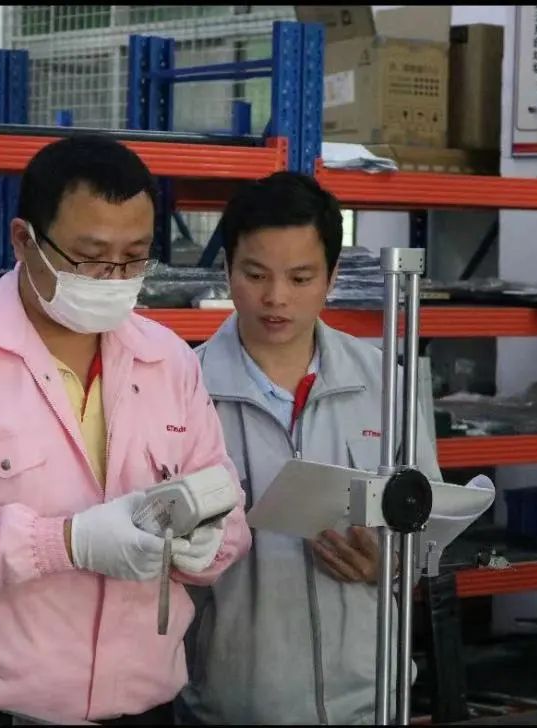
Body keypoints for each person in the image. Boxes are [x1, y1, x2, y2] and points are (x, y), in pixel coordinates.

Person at [0, 134, 251, 726]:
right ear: (24, 240)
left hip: (143, 706)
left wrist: (206, 545)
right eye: (89, 256)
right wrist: (67, 543)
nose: (113, 277)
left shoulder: (168, 359)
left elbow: (225, 505)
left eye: (134, 257)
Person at [176, 172, 442, 726]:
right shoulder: (182, 389)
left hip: (370, 701)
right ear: (226, 269)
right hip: (234, 706)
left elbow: (430, 525)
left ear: (332, 276)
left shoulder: (383, 381)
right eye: (255, 275)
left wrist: (391, 564)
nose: (276, 298)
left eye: (300, 278)